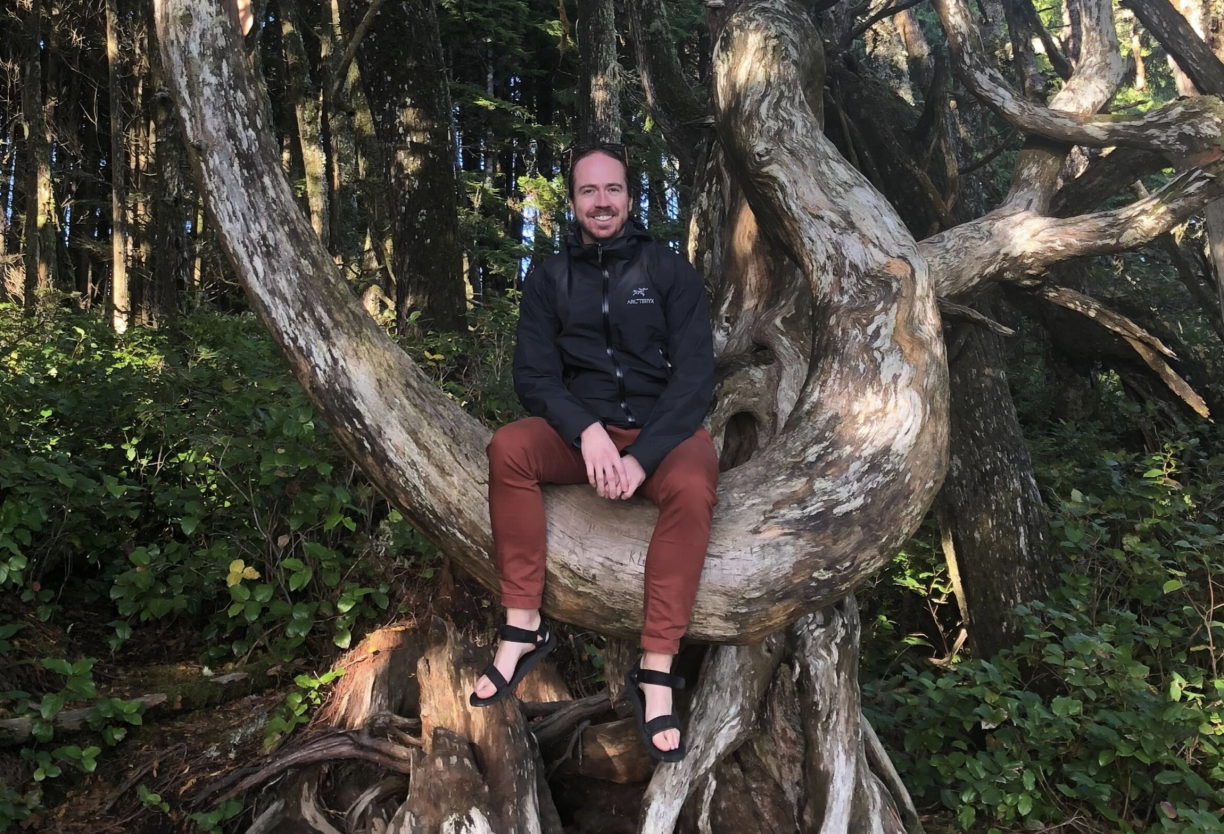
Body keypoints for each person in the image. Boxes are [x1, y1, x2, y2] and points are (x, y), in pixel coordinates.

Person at [468, 142, 717, 762]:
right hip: (583, 435)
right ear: (573, 202)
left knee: (691, 489)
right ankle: (523, 627)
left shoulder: (667, 271)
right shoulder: (550, 279)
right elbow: (533, 375)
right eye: (588, 191)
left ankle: (656, 667)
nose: (601, 202)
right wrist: (588, 432)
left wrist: (642, 458)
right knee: (508, 449)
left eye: (612, 190)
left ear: (630, 198)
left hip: (664, 431)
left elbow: (694, 381)